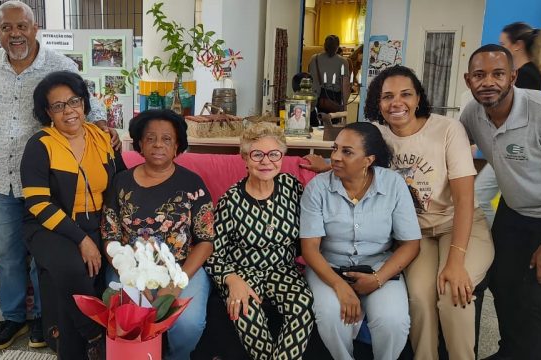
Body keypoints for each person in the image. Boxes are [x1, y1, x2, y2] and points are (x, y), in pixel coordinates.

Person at [0, 1, 117, 350]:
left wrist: (102, 129)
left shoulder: (59, 65)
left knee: (46, 259)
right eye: (7, 28)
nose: (15, 34)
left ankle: (44, 319)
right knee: (9, 254)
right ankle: (14, 319)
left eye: (21, 26)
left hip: (52, 173)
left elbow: (88, 101)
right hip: (3, 175)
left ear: (34, 27)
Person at [364, 65, 494, 359]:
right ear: (377, 102)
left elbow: (464, 199)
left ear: (419, 98)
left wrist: (456, 260)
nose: (396, 103)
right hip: (416, 234)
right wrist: (327, 165)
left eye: (406, 94)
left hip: (461, 225)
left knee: (452, 294)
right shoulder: (377, 135)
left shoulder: (447, 129)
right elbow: (352, 156)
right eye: (387, 97)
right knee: (420, 299)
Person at [460, 44, 541, 360]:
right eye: (479, 75)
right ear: (467, 80)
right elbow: (445, 148)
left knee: (540, 298)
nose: (488, 82)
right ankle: (510, 352)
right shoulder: (472, 114)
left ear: (513, 76)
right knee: (503, 284)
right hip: (515, 212)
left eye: (498, 74)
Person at [21, 71, 126, 360]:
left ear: (84, 103)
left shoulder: (102, 137)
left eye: (74, 101)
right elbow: (38, 203)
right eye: (58, 106)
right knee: (71, 268)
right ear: (47, 112)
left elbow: (122, 183)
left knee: (84, 280)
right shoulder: (40, 145)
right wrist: (82, 239)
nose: (69, 111)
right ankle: (95, 336)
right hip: (49, 226)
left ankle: (74, 349)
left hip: (96, 222)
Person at [300, 122, 420, 360]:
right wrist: (339, 285)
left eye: (347, 152)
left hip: (378, 264)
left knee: (393, 321)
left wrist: (378, 279)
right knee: (331, 314)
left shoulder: (394, 185)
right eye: (334, 149)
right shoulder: (317, 189)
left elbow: (410, 244)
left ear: (368, 160)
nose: (335, 157)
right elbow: (310, 249)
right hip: (329, 265)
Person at [102, 109, 214, 360]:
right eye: (150, 138)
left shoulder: (192, 184)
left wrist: (177, 284)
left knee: (188, 324)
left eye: (166, 139)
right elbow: (109, 236)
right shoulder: (120, 183)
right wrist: (132, 277)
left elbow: (206, 240)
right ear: (140, 144)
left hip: (181, 267)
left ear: (177, 146)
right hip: (127, 267)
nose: (158, 145)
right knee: (128, 319)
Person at [205, 122, 314, 360]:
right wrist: (231, 280)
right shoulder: (231, 200)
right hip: (242, 273)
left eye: (274, 154)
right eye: (257, 154)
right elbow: (213, 254)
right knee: (246, 312)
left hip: (283, 270)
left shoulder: (292, 187)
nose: (266, 161)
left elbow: (326, 196)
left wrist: (326, 168)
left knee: (302, 305)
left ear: (282, 157)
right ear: (244, 158)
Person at [476, 22, 541, 227]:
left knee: (479, 197)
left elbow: (512, 117)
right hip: (512, 148)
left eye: (503, 44)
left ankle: (493, 243)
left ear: (517, 45)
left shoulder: (526, 76)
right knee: (482, 197)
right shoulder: (529, 73)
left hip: (514, 150)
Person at [308, 35, 350, 114]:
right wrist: (345, 106)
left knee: (315, 125)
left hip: (313, 101)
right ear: (337, 47)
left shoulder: (314, 58)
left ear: (324, 45)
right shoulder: (343, 61)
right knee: (332, 125)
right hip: (333, 101)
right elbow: (345, 86)